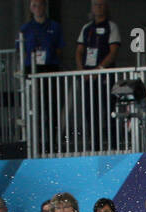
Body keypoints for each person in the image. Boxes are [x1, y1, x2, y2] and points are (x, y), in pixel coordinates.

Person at [74, 1, 121, 152]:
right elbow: (79, 51)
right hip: (88, 78)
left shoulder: (111, 26)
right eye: (95, 5)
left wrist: (99, 69)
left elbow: (113, 52)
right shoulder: (86, 28)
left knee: (109, 109)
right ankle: (95, 145)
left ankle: (113, 145)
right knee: (90, 110)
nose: (98, 7)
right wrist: (83, 70)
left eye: (101, 4)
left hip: (105, 76)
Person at [20, 0, 63, 72]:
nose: (37, 8)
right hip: (31, 67)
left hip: (50, 67)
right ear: (30, 8)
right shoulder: (25, 28)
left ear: (45, 6)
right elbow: (21, 49)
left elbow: (59, 47)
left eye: (40, 5)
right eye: (34, 5)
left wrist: (50, 58)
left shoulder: (55, 26)